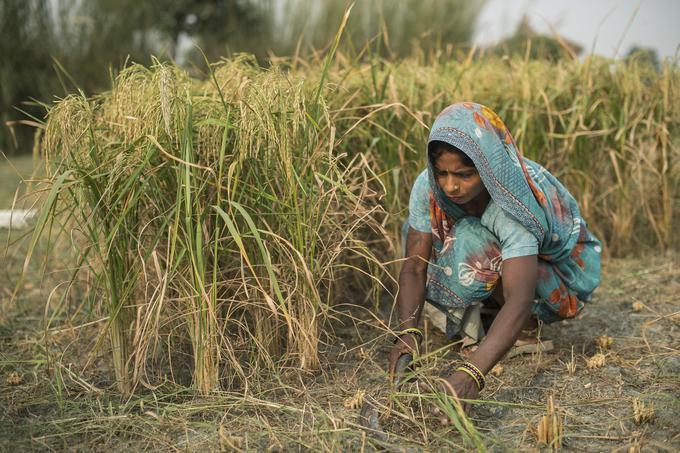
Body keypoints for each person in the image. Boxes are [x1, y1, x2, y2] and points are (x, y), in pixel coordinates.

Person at [388, 102, 601, 405]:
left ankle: (526, 332)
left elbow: (520, 298)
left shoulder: (512, 204)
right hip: (508, 265)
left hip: (557, 278)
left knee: (472, 241)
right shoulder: (429, 186)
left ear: (486, 166)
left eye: (463, 175)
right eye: (442, 173)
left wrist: (472, 372)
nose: (451, 186)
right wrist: (407, 335)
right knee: (417, 229)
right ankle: (489, 313)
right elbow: (414, 266)